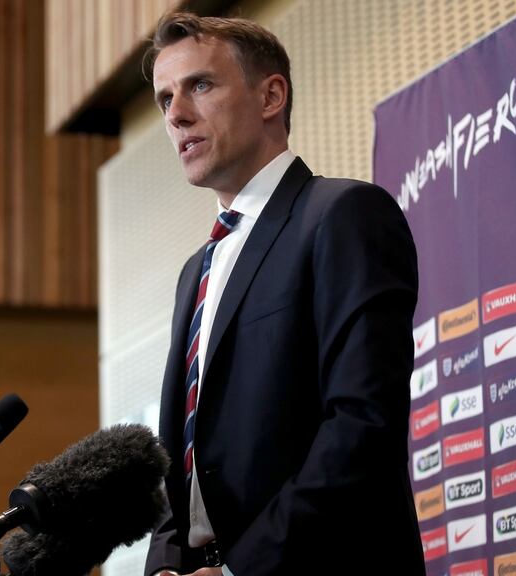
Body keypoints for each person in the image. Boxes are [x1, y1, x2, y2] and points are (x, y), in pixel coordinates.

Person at [144, 12, 425, 576]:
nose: (176, 115)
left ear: (271, 96)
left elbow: (362, 426)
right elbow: (179, 463)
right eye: (164, 98)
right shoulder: (193, 272)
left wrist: (238, 571)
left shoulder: (342, 215)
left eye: (199, 85)